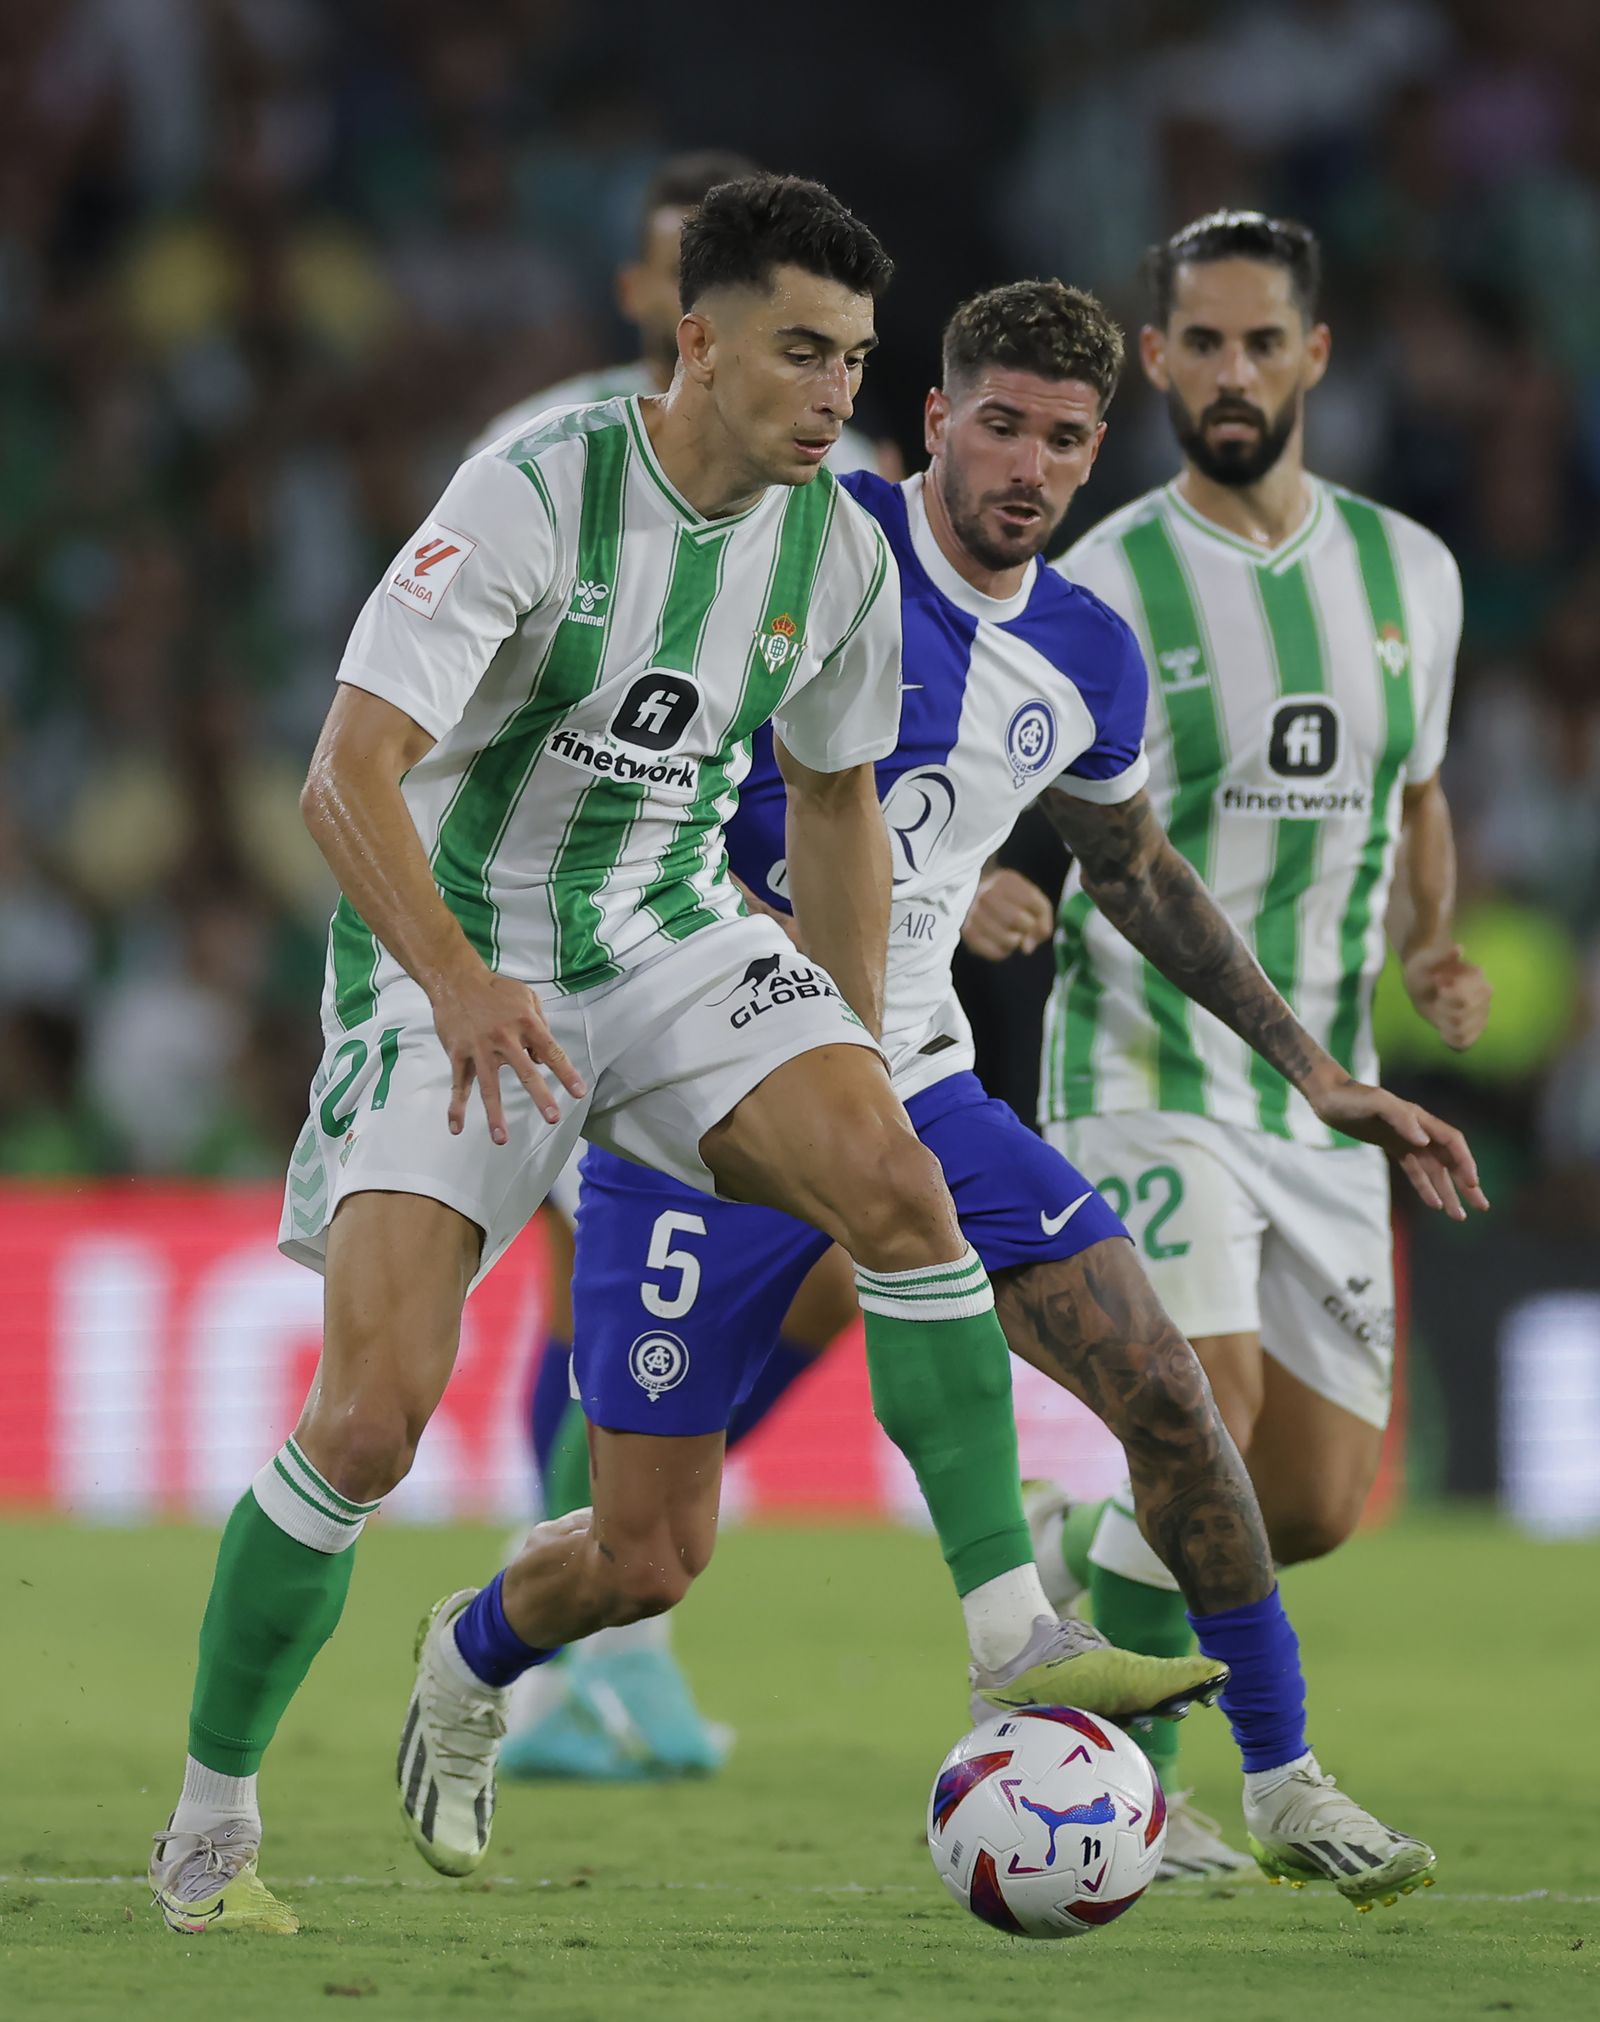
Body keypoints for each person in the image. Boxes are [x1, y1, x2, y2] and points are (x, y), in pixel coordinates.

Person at [146, 174, 1217, 1939]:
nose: (832, 394)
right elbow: (343, 775)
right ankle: (208, 1827)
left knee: (899, 1176)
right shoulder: (533, 492)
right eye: (802, 352)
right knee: (369, 1419)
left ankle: (1011, 1630)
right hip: (453, 961)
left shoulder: (838, 543)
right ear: (699, 339)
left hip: (665, 941)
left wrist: (854, 1036)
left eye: (855, 359)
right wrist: (456, 981)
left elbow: (833, 793)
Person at [445, 277, 1486, 1911]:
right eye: (997, 423)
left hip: (913, 1081)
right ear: (935, 421)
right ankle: (472, 1648)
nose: (1028, 464)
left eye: (1065, 440)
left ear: (1092, 457)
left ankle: (1279, 1776)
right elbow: (647, 782)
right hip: (704, 1094)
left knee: (1169, 1393)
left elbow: (1137, 872)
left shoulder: (1082, 652)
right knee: (645, 1550)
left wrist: (1318, 1070)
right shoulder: (801, 550)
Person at [1020, 210, 1492, 1883]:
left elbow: (1418, 794)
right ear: (1153, 361)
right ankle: (1152, 1787)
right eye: (1198, 344)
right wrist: (1003, 892)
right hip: (1148, 1064)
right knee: (1196, 1411)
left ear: (1314, 357)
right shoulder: (1101, 581)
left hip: (1323, 1093)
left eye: (1259, 342)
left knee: (1303, 1505)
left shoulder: (1408, 574)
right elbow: (1018, 793)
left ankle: (1083, 1568)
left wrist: (1429, 937)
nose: (1230, 372)